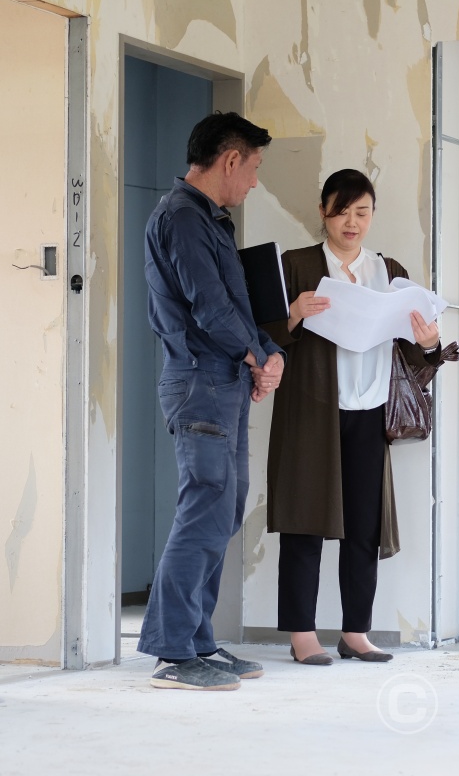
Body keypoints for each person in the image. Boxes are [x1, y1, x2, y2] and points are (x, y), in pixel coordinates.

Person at [264, 169, 444, 665]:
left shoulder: (388, 270)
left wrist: (429, 344)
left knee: (364, 525)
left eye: (361, 211)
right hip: (311, 412)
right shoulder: (296, 265)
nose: (351, 222)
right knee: (304, 521)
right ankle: (302, 633)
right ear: (323, 211)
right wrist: (293, 314)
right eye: (341, 211)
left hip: (369, 411)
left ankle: (355, 631)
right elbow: (258, 335)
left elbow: (413, 353)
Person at [137, 111, 286, 691]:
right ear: (230, 161)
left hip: (224, 380)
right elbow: (208, 307)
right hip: (201, 381)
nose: (253, 182)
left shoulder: (210, 220)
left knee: (223, 509)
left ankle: (196, 639)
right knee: (204, 507)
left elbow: (237, 306)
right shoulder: (182, 218)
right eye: (252, 169)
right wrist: (256, 355)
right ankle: (173, 652)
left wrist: (268, 353)